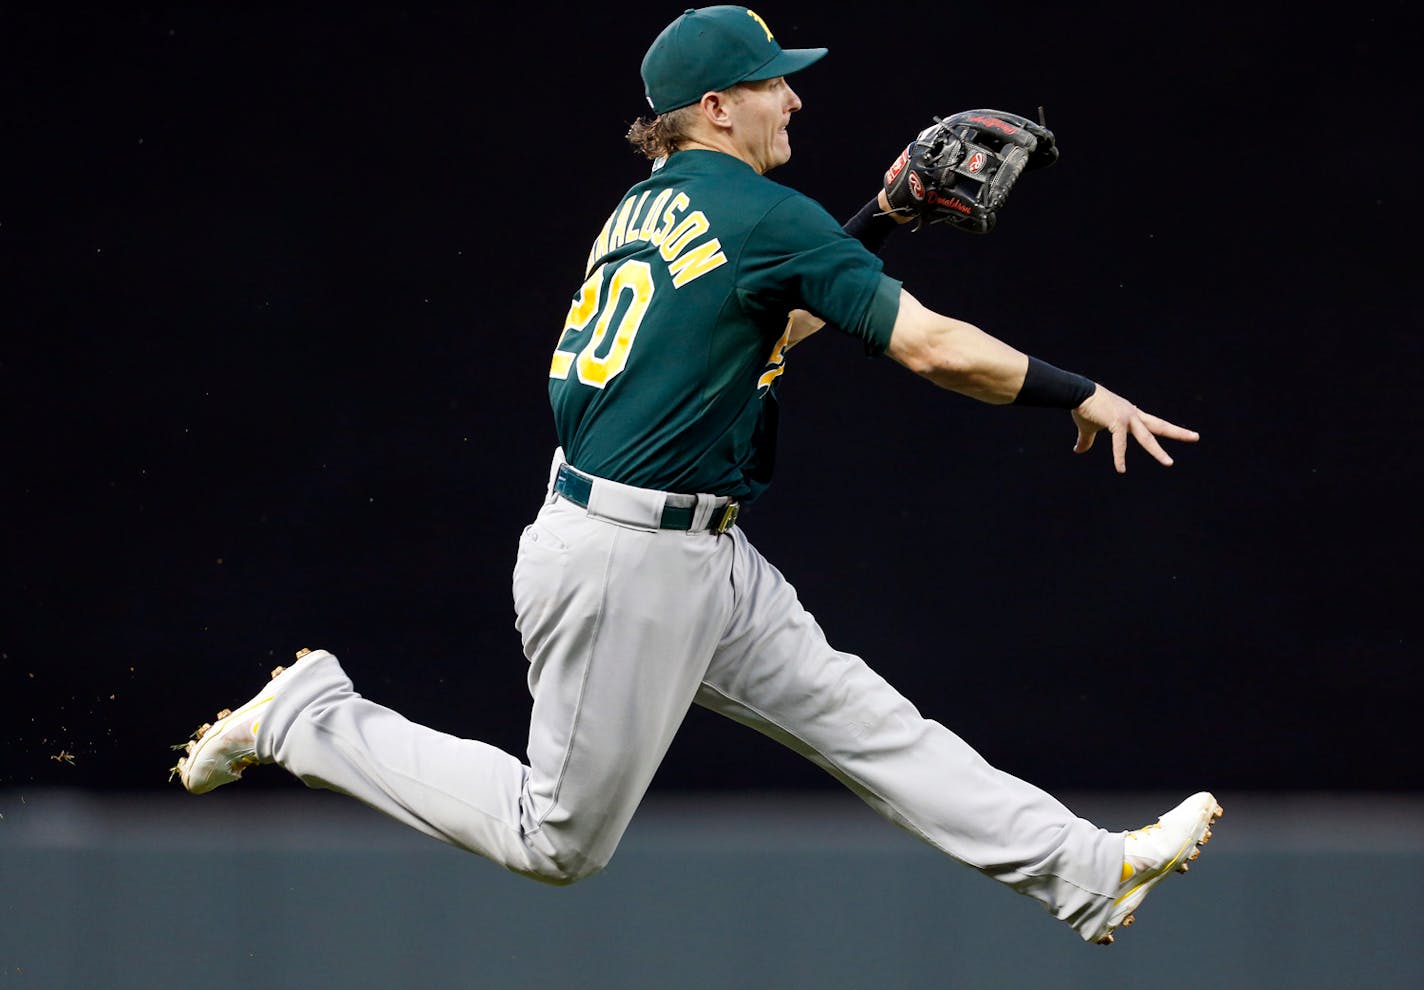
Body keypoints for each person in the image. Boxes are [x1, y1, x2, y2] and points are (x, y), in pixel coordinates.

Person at [174, 5, 1220, 946]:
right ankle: (309, 719)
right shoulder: (763, 216)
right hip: (627, 562)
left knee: (865, 721)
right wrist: (1075, 390)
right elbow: (929, 349)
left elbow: (766, 326)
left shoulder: (641, 213)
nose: (794, 95)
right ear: (717, 107)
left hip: (680, 546)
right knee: (556, 842)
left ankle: (1086, 871)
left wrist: (878, 223)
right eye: (773, 81)